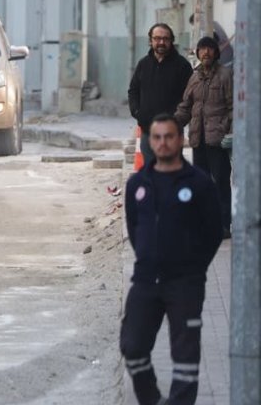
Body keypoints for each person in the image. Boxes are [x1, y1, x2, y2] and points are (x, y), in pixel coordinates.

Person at [120, 113, 222, 405]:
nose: (162, 143)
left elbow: (213, 233)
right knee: (133, 346)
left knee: (185, 358)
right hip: (145, 282)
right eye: (157, 137)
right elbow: (134, 227)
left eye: (168, 137)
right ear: (150, 141)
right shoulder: (137, 184)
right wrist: (149, 259)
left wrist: (193, 268)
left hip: (185, 285)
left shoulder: (200, 184)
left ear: (180, 140)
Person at [175, 36, 233, 238]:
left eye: (209, 49)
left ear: (216, 52)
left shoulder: (226, 75)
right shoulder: (194, 77)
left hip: (218, 141)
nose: (206, 53)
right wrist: (172, 124)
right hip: (198, 141)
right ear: (198, 53)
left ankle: (224, 225)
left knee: (221, 184)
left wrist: (229, 130)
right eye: (202, 49)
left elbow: (233, 106)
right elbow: (185, 107)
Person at [128, 23, 193, 166]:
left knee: (170, 174)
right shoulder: (143, 64)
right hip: (147, 131)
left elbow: (190, 98)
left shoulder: (182, 66)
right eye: (157, 38)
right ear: (150, 41)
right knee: (150, 174)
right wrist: (137, 112)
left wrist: (178, 121)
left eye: (166, 39)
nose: (161, 42)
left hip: (172, 133)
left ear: (171, 41)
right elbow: (133, 90)